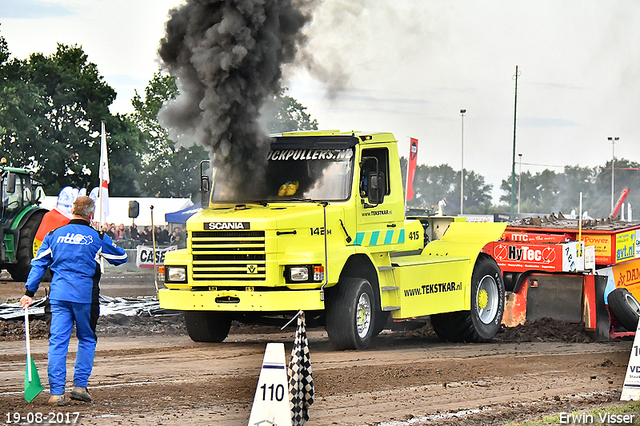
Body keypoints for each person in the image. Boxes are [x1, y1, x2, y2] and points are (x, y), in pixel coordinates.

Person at [20, 196, 128, 406]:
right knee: (87, 339)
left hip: (58, 296)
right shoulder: (97, 236)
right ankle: (79, 386)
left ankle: (56, 394)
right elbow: (120, 257)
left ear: (72, 211)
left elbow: (39, 264)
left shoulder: (54, 235)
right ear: (91, 215)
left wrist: (29, 293)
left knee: (58, 342)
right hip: (85, 297)